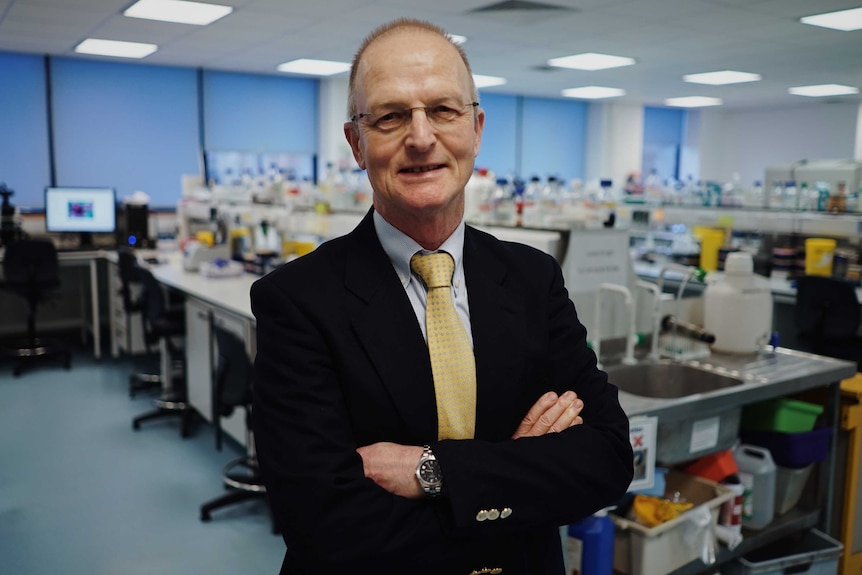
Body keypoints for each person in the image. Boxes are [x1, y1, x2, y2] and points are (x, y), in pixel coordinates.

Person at [251, 17, 633, 575]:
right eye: (390, 116)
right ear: (356, 144)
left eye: (444, 110)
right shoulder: (296, 300)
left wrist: (433, 472)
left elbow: (608, 458)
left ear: (476, 128)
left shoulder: (532, 278)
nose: (422, 137)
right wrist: (520, 479)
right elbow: (325, 523)